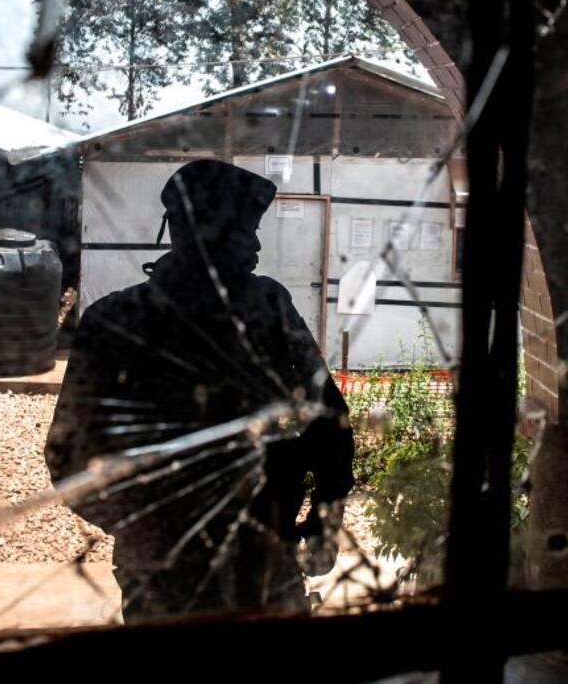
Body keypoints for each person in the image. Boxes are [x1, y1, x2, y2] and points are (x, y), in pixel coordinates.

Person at [46, 159, 354, 622]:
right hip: (248, 559)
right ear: (197, 234)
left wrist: (144, 530)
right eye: (242, 230)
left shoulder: (114, 319)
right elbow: (330, 421)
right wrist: (323, 519)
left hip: (184, 567)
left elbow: (67, 458)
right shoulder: (265, 307)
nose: (255, 245)